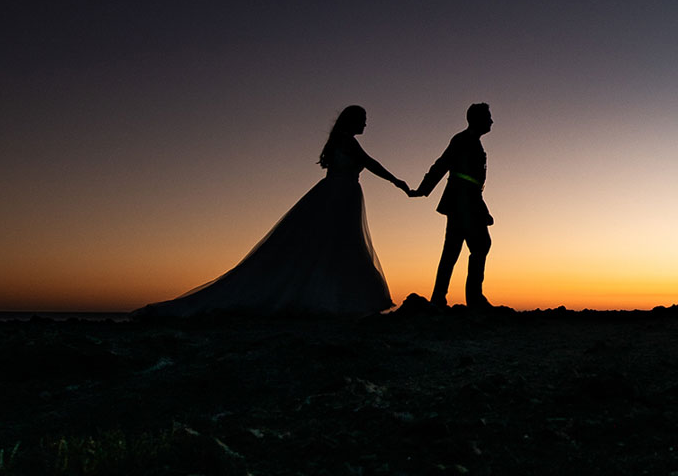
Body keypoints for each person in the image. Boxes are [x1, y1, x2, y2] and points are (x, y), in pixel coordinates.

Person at [135, 105, 403, 317]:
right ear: (352, 120)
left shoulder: (340, 141)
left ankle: (334, 296)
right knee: (338, 246)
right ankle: (335, 299)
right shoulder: (347, 141)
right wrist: (398, 182)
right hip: (339, 196)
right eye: (363, 119)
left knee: (332, 247)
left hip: (338, 195)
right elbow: (370, 164)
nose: (366, 124)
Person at [413, 102, 495, 308]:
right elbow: (442, 164)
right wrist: (424, 189)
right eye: (488, 117)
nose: (491, 121)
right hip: (463, 201)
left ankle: (441, 296)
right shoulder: (462, 140)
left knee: (453, 249)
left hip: (466, 201)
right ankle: (472, 297)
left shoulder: (471, 141)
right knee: (478, 244)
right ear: (477, 120)